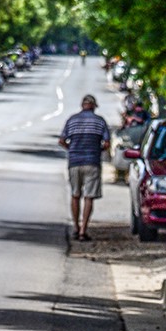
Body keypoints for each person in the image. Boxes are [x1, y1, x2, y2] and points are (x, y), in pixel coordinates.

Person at [58, 93, 110, 241]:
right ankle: (83, 230)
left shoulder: (72, 120)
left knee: (75, 195)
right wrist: (96, 150)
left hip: (74, 162)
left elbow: (61, 140)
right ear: (93, 107)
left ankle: (75, 226)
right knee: (89, 197)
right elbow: (106, 143)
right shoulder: (100, 122)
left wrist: (72, 149)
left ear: (82, 106)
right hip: (92, 162)